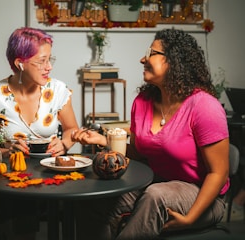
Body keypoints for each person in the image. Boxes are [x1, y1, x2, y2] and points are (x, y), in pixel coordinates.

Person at [71, 28, 230, 240]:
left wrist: (191, 217)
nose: (142, 59)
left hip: (201, 195)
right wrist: (102, 140)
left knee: (156, 196)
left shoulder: (204, 107)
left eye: (152, 53)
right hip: (155, 183)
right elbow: (138, 154)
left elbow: (218, 173)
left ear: (175, 61)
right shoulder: (143, 101)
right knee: (95, 197)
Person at [0, 27, 79, 240]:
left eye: (50, 59)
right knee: (18, 202)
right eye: (41, 61)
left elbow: (71, 130)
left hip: (51, 173)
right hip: (12, 177)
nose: (48, 67)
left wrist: (64, 144)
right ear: (20, 63)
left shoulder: (58, 90)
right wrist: (5, 150)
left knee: (81, 200)